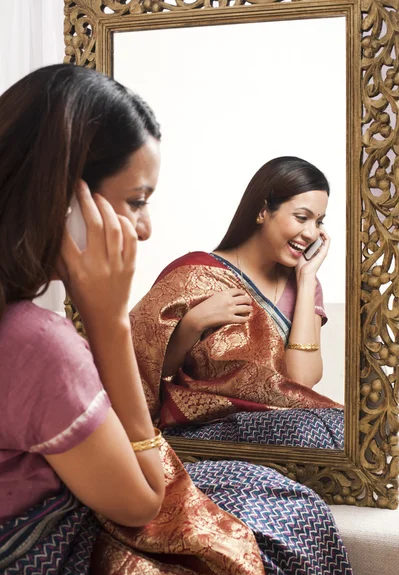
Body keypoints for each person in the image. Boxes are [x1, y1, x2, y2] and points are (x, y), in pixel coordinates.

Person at [0, 64, 267, 575]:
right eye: (137, 201)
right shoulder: (35, 345)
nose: (146, 228)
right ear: (67, 201)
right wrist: (109, 321)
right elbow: (145, 500)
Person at [130, 157, 344, 449]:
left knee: (346, 428)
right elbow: (143, 370)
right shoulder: (195, 274)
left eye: (319, 222)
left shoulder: (306, 286)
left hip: (283, 425)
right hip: (205, 428)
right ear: (262, 211)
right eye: (301, 217)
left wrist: (306, 279)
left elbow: (301, 382)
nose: (310, 233)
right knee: (307, 431)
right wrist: (194, 324)